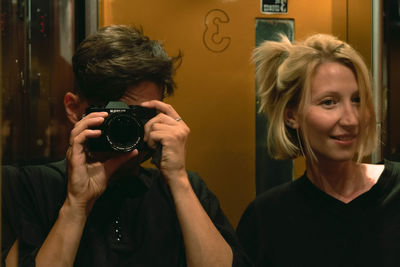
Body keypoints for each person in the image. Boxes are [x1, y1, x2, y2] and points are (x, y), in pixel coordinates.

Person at [16, 25, 250, 267]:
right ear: (74, 108)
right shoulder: (33, 187)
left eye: (140, 115)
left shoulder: (185, 190)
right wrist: (76, 206)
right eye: (116, 115)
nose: (127, 128)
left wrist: (178, 180)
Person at [236, 33, 400, 266]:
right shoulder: (267, 218)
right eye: (329, 102)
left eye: (357, 99)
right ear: (291, 115)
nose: (351, 119)